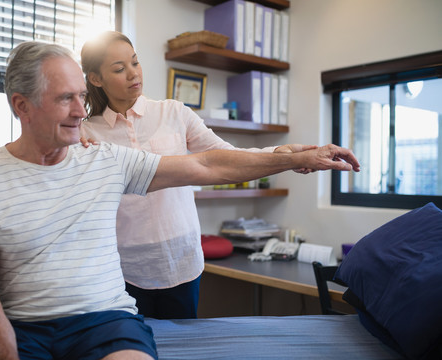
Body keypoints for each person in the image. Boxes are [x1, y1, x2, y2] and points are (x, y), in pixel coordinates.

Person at [0, 40, 359, 360]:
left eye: (79, 97)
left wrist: (293, 157)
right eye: (64, 99)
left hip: (114, 313)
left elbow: (210, 164)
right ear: (21, 105)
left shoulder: (111, 156)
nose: (79, 111)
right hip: (37, 318)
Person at [80, 31, 314, 319]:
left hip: (182, 260)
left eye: (135, 62)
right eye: (119, 69)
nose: (133, 74)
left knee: (183, 347)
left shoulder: (173, 113)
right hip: (124, 268)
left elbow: (227, 158)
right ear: (95, 79)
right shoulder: (87, 133)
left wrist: (284, 156)